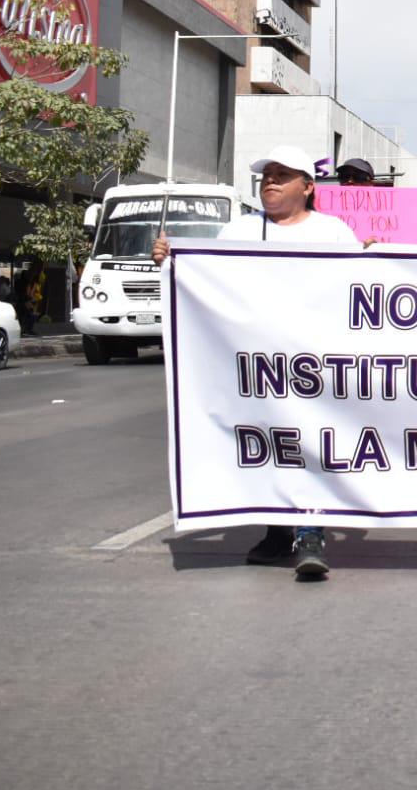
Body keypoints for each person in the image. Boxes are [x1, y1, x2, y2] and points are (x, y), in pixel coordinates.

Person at [152, 144, 360, 579]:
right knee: (271, 443)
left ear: (307, 187)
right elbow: (207, 282)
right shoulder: (239, 231)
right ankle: (277, 531)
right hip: (257, 366)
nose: (270, 181)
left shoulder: (333, 231)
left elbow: (357, 290)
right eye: (267, 174)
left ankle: (309, 533)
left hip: (314, 364)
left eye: (282, 175)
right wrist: (172, 264)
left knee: (309, 443)